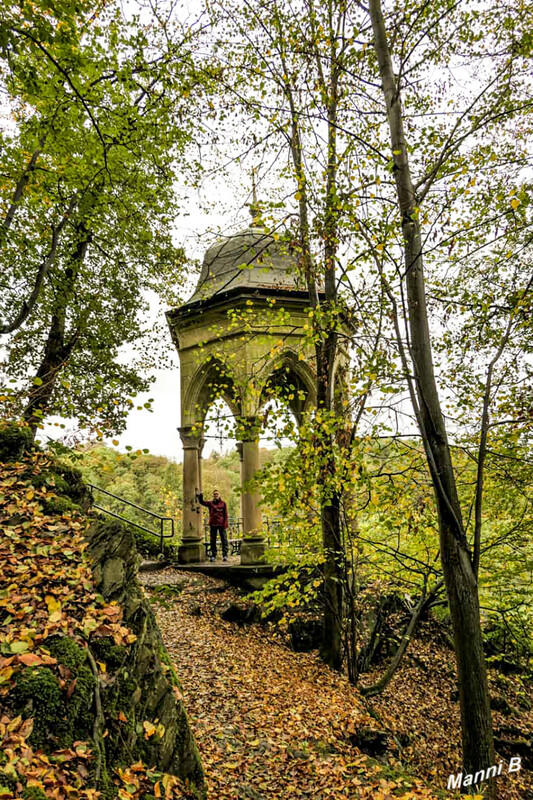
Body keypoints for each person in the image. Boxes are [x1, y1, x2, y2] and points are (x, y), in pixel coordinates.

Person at [197, 489, 229, 562]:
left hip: (221, 524)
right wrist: (200, 495)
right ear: (213, 495)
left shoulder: (223, 503)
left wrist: (225, 524)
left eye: (217, 494)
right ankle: (213, 555)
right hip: (213, 524)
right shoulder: (210, 503)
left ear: (219, 495)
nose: (216, 495)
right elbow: (202, 502)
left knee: (224, 540)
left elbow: (226, 514)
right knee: (212, 540)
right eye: (214, 494)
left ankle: (225, 555)